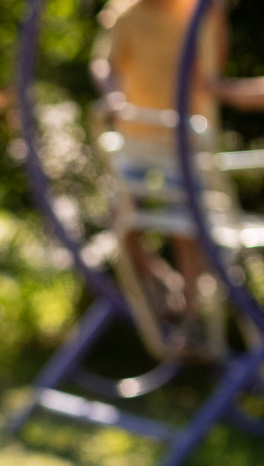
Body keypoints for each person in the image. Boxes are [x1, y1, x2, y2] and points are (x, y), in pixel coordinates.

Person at [96, 0, 264, 353]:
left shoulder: (193, 11)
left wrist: (217, 19)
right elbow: (105, 65)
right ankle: (161, 285)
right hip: (140, 137)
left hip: (185, 139)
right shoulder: (127, 15)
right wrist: (114, 95)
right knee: (122, 219)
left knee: (187, 227)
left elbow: (213, 65)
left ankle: (193, 317)